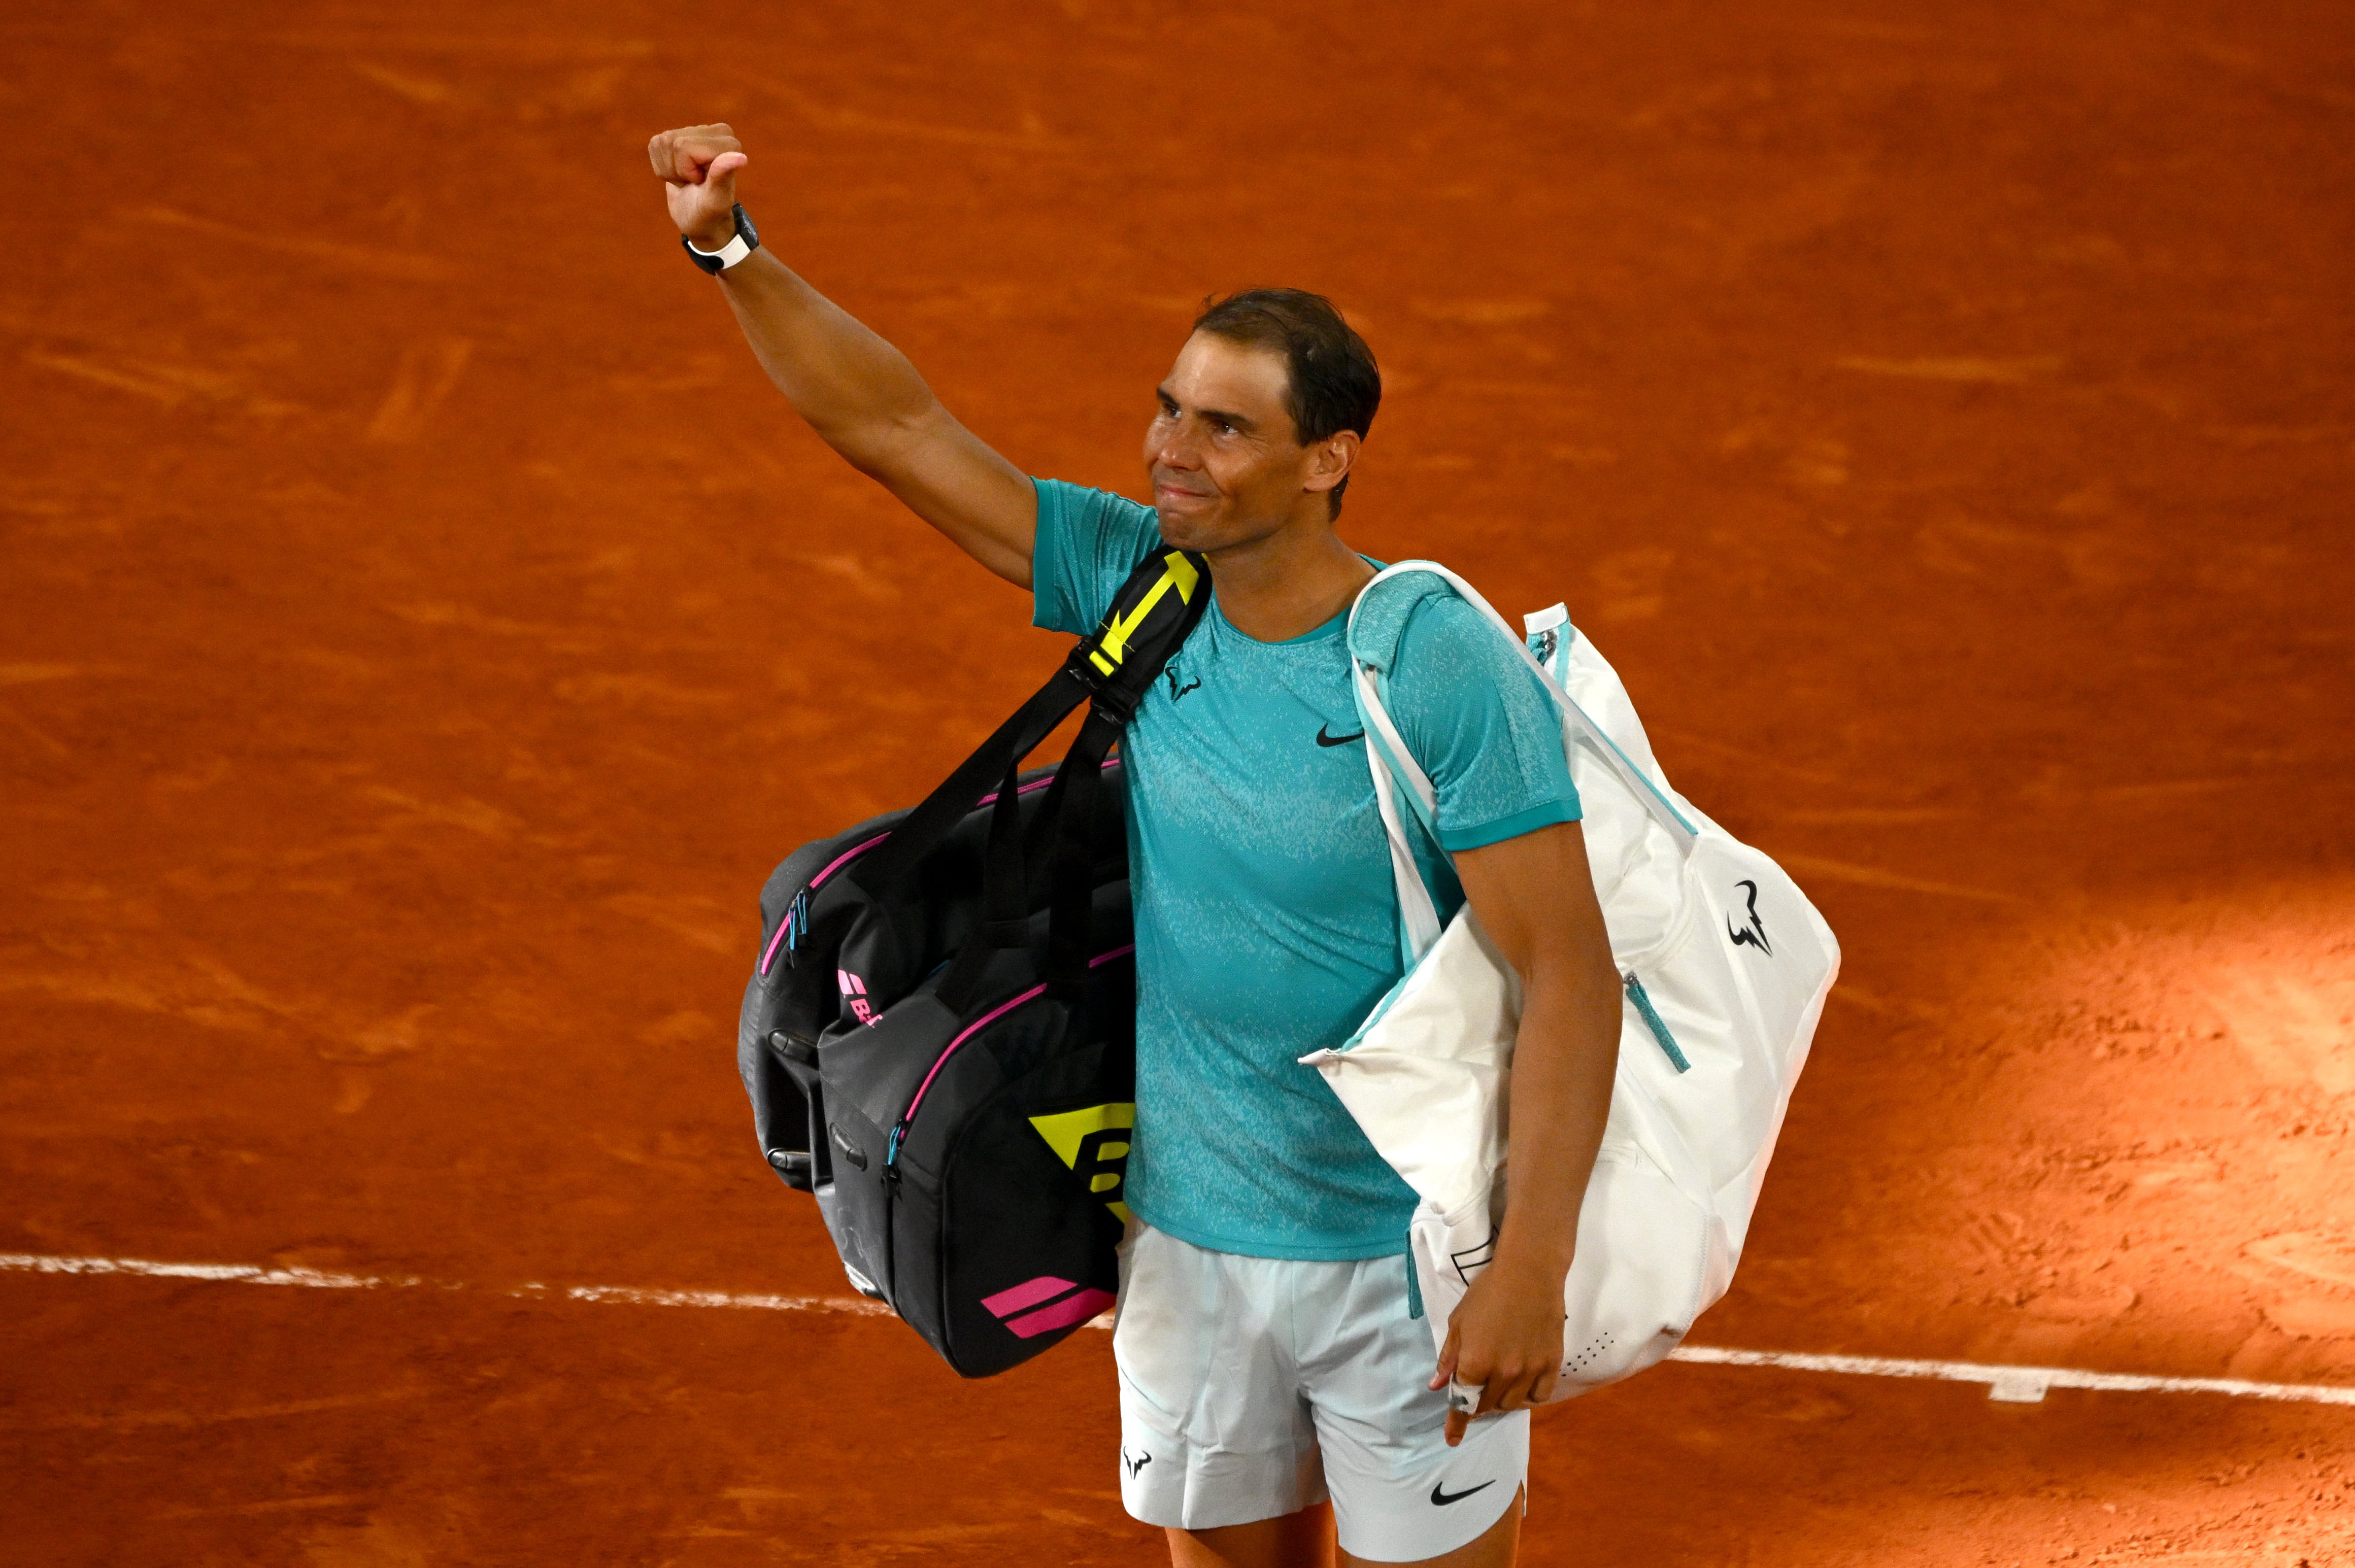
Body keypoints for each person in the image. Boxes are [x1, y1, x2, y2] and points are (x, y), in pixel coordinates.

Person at [649, 123, 1625, 1568]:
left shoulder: (1428, 660)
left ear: (1326, 460)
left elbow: (1570, 972)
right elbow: (899, 431)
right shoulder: (1144, 582)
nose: (1170, 448)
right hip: (1182, 1244)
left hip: (1402, 1262)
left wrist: (1530, 1266)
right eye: (1169, 407)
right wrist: (727, 250)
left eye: (1223, 428)